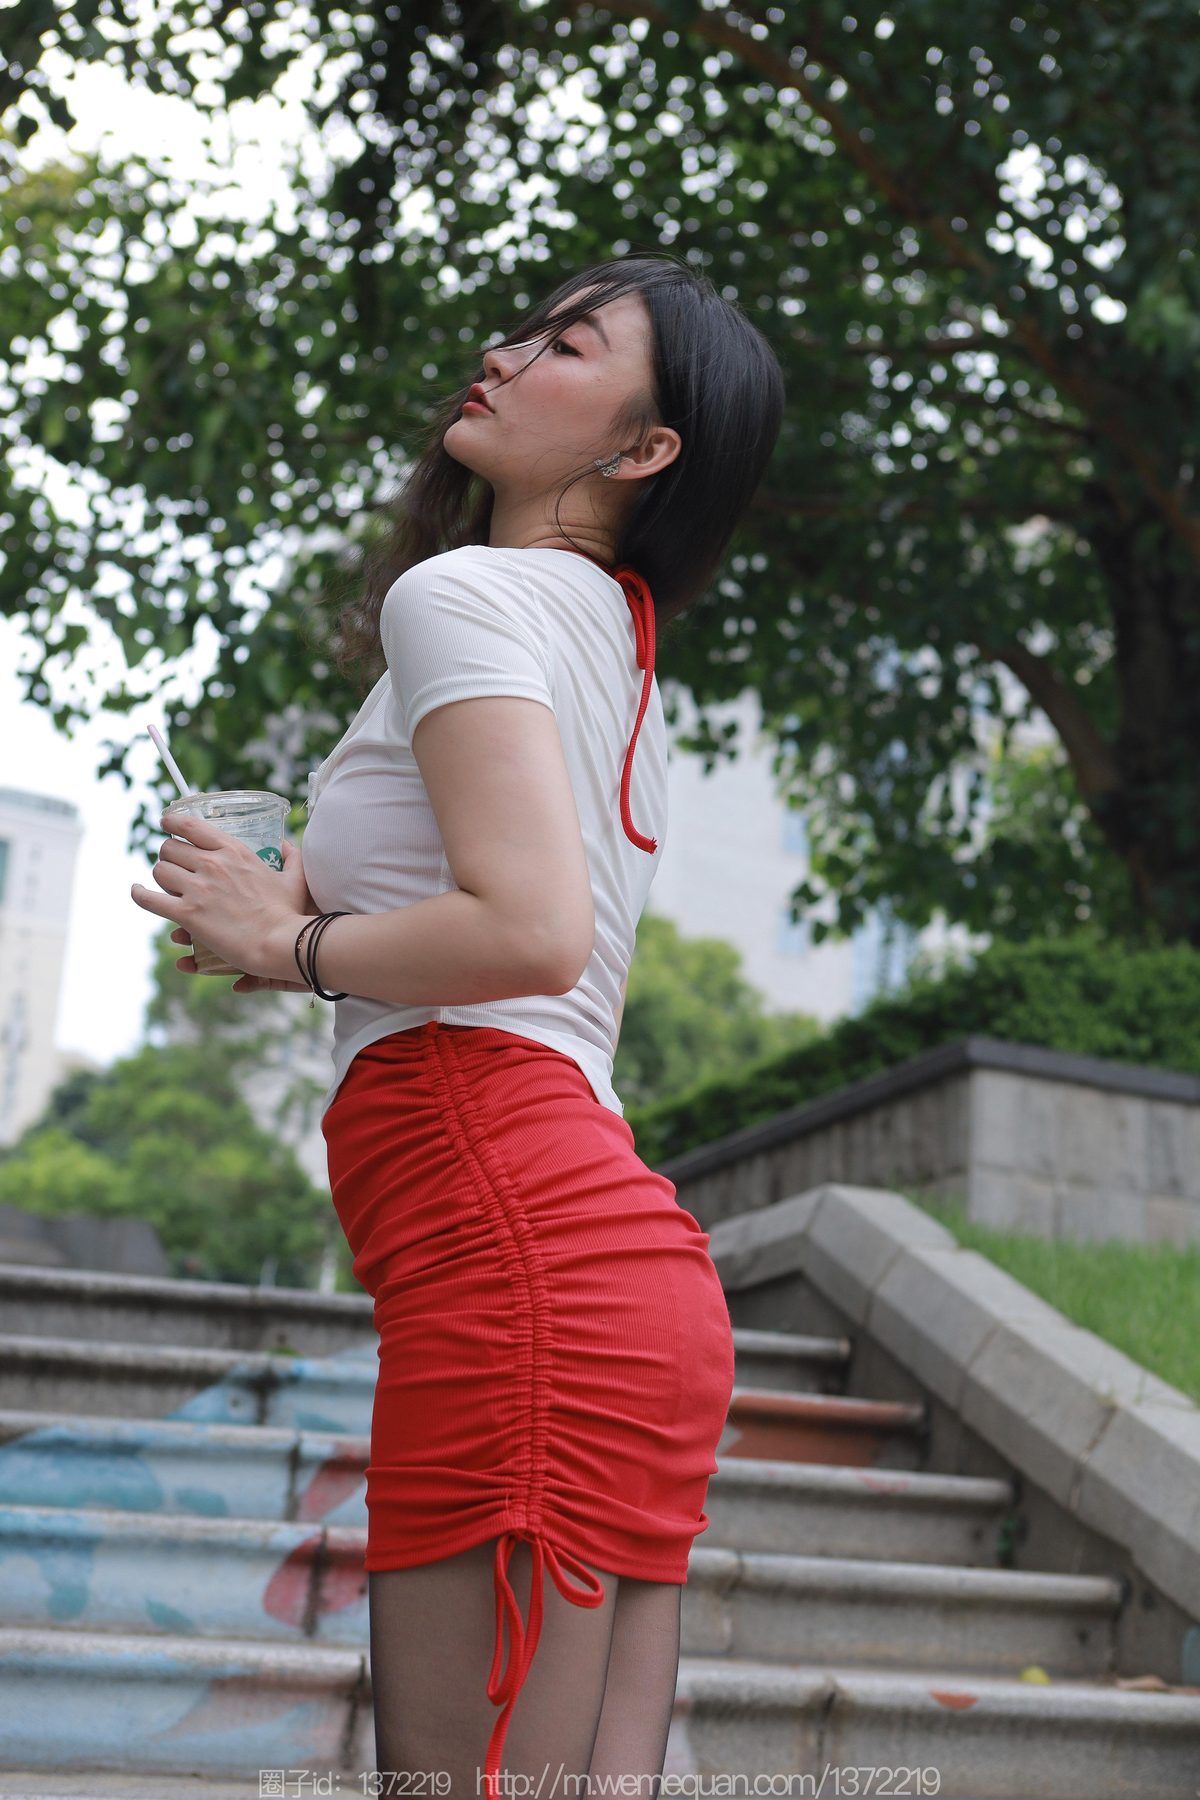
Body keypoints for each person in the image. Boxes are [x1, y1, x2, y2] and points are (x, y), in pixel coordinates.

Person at [142, 251, 784, 1794]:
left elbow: (531, 931)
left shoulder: (464, 595)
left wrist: (295, 941)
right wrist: (293, 913)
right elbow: (512, 922)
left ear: (644, 449)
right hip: (601, 1268)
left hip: (518, 1248)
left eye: (566, 345)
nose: (501, 353)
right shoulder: (607, 635)